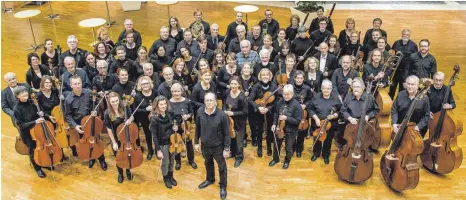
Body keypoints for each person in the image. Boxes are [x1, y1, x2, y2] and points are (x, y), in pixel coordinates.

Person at [64, 75, 107, 170]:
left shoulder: (89, 93)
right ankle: (91, 157)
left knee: (97, 141)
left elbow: (96, 104)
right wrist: (75, 126)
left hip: (92, 123)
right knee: (86, 144)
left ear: (81, 83)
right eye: (75, 84)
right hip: (80, 126)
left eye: (79, 83)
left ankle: (101, 158)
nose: (78, 85)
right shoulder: (68, 99)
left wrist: (96, 111)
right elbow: (67, 115)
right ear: (71, 85)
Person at [13, 86, 56, 178]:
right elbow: (21, 125)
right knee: (33, 150)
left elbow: (41, 112)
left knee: (43, 147)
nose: (25, 93)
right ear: (17, 96)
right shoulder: (17, 109)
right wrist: (35, 122)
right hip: (28, 133)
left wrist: (47, 116)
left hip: (39, 130)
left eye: (25, 91)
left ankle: (44, 163)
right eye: (21, 93)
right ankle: (37, 168)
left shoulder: (33, 102)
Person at [194, 92, 230, 200]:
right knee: (208, 163)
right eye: (207, 100)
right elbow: (197, 128)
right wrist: (196, 142)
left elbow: (227, 134)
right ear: (204, 101)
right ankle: (210, 179)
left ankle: (223, 186)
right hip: (205, 146)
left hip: (218, 147)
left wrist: (226, 149)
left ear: (215, 102)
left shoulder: (222, 115)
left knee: (222, 167)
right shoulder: (200, 111)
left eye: (211, 100)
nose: (209, 102)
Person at [103, 92, 134, 183]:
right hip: (116, 137)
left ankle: (128, 170)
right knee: (118, 157)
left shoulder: (125, 107)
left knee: (128, 154)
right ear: (109, 102)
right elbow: (109, 129)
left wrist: (129, 120)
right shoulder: (107, 113)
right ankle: (120, 173)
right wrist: (114, 142)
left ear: (119, 100)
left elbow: (132, 116)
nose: (115, 103)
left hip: (127, 136)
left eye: (116, 101)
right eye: (112, 102)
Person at [270, 84, 303, 169]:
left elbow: (298, 120)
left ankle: (287, 161)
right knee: (276, 144)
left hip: (291, 130)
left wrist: (287, 118)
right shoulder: (280, 101)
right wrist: (274, 124)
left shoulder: (297, 105)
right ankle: (275, 159)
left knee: (289, 147)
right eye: (284, 94)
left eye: (288, 94)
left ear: (292, 94)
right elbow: (276, 114)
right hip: (279, 127)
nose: (286, 96)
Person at [309, 80, 342, 164]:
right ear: (321, 88)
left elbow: (341, 111)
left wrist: (334, 115)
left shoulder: (336, 98)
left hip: (330, 124)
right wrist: (316, 118)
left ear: (331, 89)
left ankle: (326, 155)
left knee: (328, 140)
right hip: (318, 123)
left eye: (328, 88)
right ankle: (316, 153)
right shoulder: (316, 97)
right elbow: (310, 109)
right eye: (324, 88)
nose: (326, 90)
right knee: (317, 138)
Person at [340, 77, 380, 146]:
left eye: (358, 87)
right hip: (352, 124)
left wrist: (368, 116)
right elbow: (343, 110)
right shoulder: (348, 96)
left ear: (363, 87)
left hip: (365, 125)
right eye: (354, 87)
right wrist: (350, 118)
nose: (355, 89)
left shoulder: (370, 98)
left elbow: (376, 110)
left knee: (365, 141)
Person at [248, 68, 278, 157]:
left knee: (269, 131)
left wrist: (268, 108)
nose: (265, 76)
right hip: (258, 113)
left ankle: (269, 147)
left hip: (269, 112)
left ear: (270, 76)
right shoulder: (256, 86)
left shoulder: (274, 86)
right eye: (263, 75)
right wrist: (258, 108)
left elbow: (276, 102)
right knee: (259, 131)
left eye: (267, 75)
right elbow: (250, 100)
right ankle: (260, 147)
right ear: (260, 76)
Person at [150, 96, 179, 188]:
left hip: (172, 142)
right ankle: (166, 178)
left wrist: (175, 127)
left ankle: (171, 176)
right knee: (165, 162)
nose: (163, 106)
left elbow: (174, 125)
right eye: (161, 104)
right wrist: (158, 150)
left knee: (172, 160)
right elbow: (154, 136)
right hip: (162, 144)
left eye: (165, 103)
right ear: (157, 106)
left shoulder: (170, 114)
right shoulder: (154, 118)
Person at [169, 83, 197, 170]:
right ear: (171, 92)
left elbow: (191, 112)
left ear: (181, 91)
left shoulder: (187, 101)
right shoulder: (169, 103)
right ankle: (178, 161)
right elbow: (169, 117)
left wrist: (188, 116)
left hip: (186, 126)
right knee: (176, 143)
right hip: (175, 127)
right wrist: (173, 126)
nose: (176, 93)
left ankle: (191, 160)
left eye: (178, 91)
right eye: (174, 91)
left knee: (189, 143)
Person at [223, 76, 248, 167]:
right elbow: (224, 103)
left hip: (239, 121)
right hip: (229, 120)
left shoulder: (241, 96)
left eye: (235, 84)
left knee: (239, 140)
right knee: (231, 138)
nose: (233, 85)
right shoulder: (227, 92)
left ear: (239, 84)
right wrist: (225, 111)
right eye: (232, 83)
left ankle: (239, 157)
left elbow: (245, 112)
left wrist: (233, 113)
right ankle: (232, 153)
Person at [133, 76, 158, 160]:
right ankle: (150, 151)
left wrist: (155, 109)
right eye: (143, 84)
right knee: (148, 135)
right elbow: (136, 110)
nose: (145, 85)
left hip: (156, 117)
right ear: (140, 85)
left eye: (147, 83)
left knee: (157, 134)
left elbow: (161, 103)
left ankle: (158, 150)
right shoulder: (137, 96)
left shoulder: (155, 92)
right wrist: (145, 109)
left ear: (150, 83)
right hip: (144, 118)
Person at [390, 29, 418, 98]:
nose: (405, 36)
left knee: (402, 91)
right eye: (404, 34)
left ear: (409, 36)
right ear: (401, 35)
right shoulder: (396, 43)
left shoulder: (413, 45)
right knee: (392, 90)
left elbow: (415, 59)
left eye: (407, 35)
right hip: (395, 71)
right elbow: (392, 55)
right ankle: (389, 106)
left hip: (406, 72)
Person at [292, 71, 313, 157]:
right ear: (294, 78)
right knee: (293, 130)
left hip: (303, 112)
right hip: (293, 112)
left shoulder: (307, 88)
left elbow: (311, 99)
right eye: (298, 78)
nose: (299, 80)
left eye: (301, 78)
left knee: (301, 131)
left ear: (303, 79)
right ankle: (292, 146)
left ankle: (299, 148)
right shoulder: (291, 87)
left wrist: (305, 105)